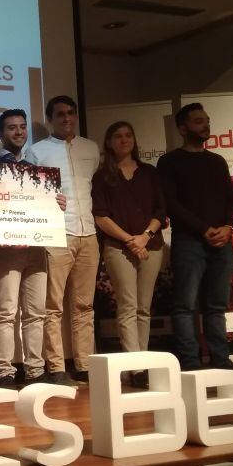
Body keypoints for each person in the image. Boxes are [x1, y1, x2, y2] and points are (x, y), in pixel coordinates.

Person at [157, 103, 233, 372]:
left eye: (206, 120)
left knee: (216, 306)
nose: (205, 125)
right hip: (189, 242)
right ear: (182, 128)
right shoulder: (170, 161)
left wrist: (229, 226)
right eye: (197, 121)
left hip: (221, 242)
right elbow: (171, 203)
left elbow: (231, 198)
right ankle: (190, 364)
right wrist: (204, 229)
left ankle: (222, 362)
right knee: (185, 306)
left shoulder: (216, 161)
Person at [24, 95, 100, 385]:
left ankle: (83, 365)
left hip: (89, 233)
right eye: (60, 114)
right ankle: (56, 367)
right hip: (57, 234)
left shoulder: (90, 149)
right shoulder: (37, 152)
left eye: (71, 113)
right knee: (52, 305)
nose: (66, 118)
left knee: (85, 306)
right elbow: (30, 195)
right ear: (50, 119)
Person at [91, 121, 166, 385]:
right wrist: (130, 240)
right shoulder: (102, 176)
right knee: (128, 306)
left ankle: (143, 361)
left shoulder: (150, 173)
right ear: (109, 143)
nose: (124, 140)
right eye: (118, 136)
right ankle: (134, 367)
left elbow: (160, 211)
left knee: (144, 308)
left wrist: (145, 237)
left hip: (151, 246)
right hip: (118, 248)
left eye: (128, 135)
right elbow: (100, 216)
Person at [0, 108, 51, 387]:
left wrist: (54, 203)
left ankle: (35, 370)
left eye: (23, 127)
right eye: (12, 128)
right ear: (1, 134)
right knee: (6, 311)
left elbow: (43, 206)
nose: (19, 132)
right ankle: (5, 372)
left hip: (36, 246)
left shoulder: (36, 169)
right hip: (6, 248)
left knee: (36, 311)